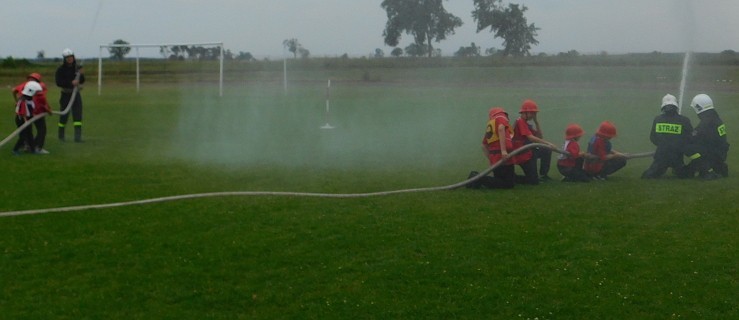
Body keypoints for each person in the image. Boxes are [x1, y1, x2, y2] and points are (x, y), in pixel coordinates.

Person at [641, 94, 693, 179]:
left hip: (661, 156)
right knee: (686, 175)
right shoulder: (684, 120)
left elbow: (653, 138)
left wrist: (663, 145)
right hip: (677, 157)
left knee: (648, 176)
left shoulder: (657, 119)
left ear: (663, 107)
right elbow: (690, 138)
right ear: (676, 106)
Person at [681, 94, 729, 179]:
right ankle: (719, 167)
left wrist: (679, 140)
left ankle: (708, 172)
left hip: (712, 153)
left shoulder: (707, 121)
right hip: (719, 153)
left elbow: (693, 136)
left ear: (698, 107)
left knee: (687, 147)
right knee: (686, 172)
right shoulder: (714, 118)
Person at [467, 107, 515, 189]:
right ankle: (478, 178)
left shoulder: (491, 125)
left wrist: (491, 159)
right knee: (507, 185)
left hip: (496, 158)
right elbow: (501, 128)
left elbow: (483, 145)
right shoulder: (500, 117)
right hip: (503, 157)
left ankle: (476, 178)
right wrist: (503, 151)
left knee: (503, 181)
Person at [511, 99, 557, 185]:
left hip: (529, 152)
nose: (533, 115)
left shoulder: (526, 123)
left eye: (534, 113)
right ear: (525, 113)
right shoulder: (520, 121)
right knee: (533, 181)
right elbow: (531, 138)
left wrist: (536, 122)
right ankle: (512, 178)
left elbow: (539, 137)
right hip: (522, 154)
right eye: (532, 113)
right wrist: (548, 143)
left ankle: (544, 174)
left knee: (546, 150)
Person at [12, 73, 53, 154]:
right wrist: (47, 109)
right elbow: (42, 102)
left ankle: (31, 148)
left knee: (28, 133)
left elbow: (14, 91)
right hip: (28, 116)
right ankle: (21, 149)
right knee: (31, 132)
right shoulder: (34, 91)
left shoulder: (27, 90)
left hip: (31, 115)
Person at [55, 48, 85, 142]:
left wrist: (81, 75)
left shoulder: (77, 68)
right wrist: (71, 83)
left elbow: (82, 80)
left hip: (75, 94)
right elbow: (59, 82)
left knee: (77, 116)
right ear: (64, 59)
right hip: (65, 95)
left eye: (71, 57)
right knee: (64, 115)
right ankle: (61, 136)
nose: (70, 59)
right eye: (67, 57)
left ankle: (77, 137)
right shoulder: (60, 70)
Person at [12, 82, 43, 155]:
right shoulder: (23, 101)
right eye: (36, 92)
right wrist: (26, 121)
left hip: (27, 119)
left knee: (30, 134)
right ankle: (15, 150)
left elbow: (31, 110)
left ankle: (33, 150)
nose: (37, 93)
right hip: (22, 119)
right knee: (23, 136)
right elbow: (23, 112)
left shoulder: (30, 99)